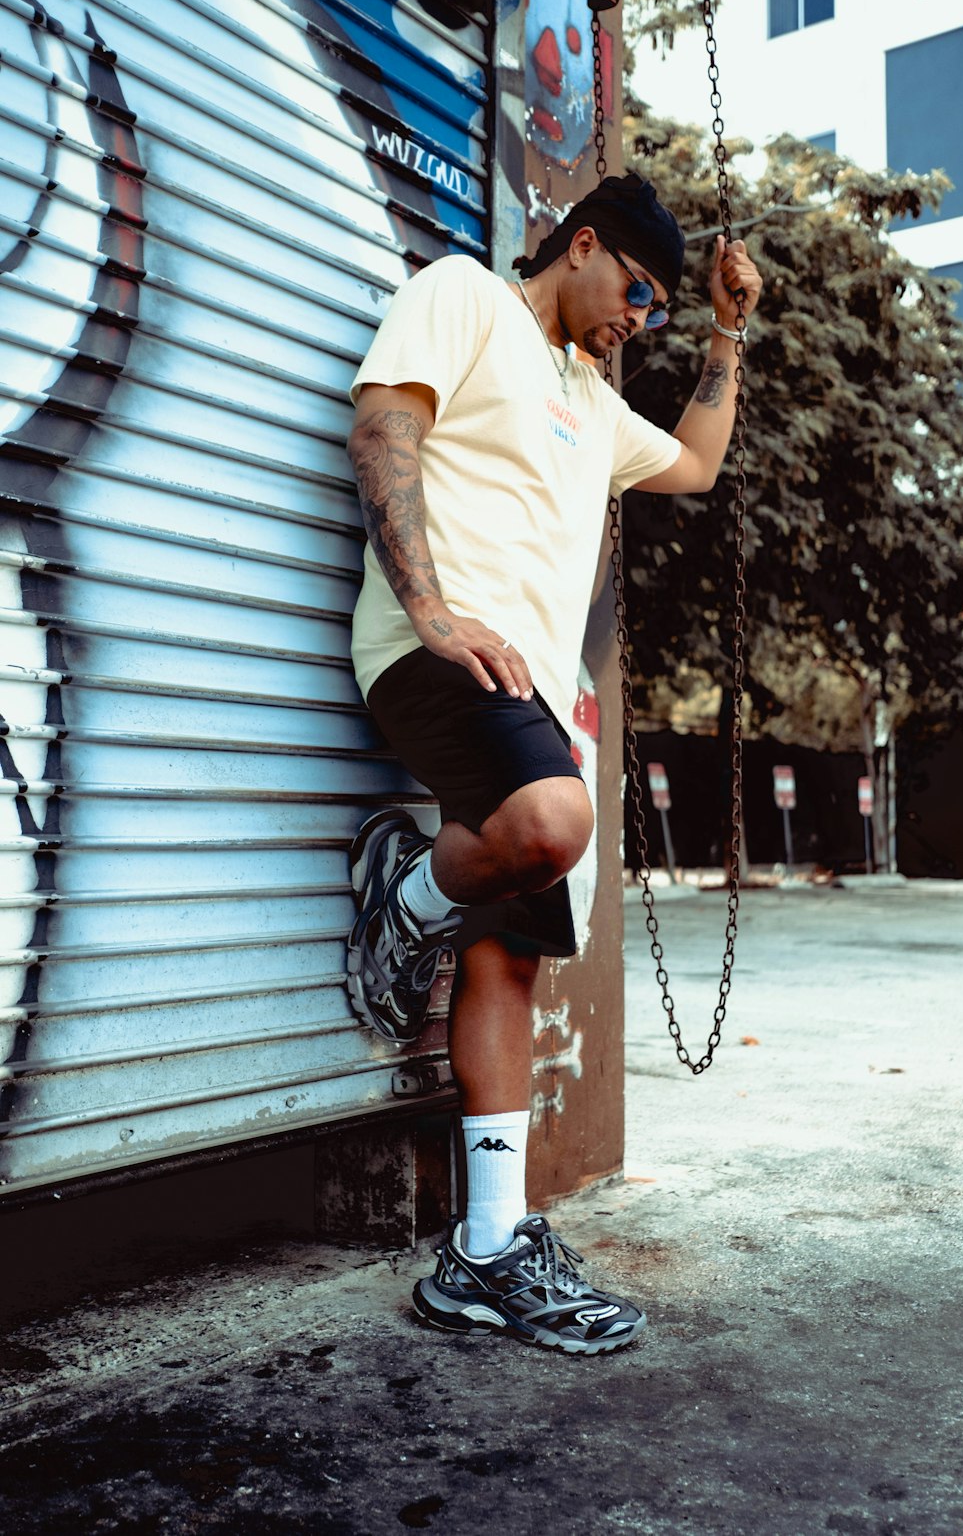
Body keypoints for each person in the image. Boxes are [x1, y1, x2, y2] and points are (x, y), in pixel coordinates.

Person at [344, 172, 761, 1355]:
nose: (642, 318)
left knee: (509, 959)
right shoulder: (466, 296)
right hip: (438, 654)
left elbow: (695, 464)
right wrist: (428, 611)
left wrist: (726, 333)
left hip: (529, 696)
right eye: (639, 289)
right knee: (552, 821)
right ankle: (408, 891)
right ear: (582, 246)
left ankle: (482, 1249)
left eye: (661, 309)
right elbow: (385, 426)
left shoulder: (591, 395)